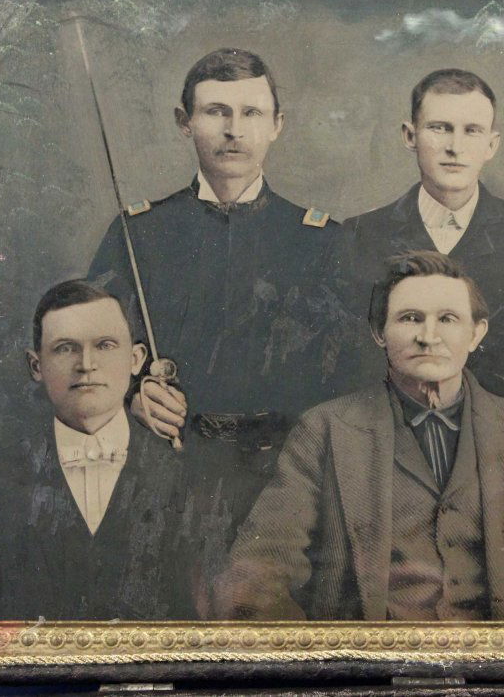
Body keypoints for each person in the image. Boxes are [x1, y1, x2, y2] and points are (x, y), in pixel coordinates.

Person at [211, 251, 504, 621]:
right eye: (410, 318)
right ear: (379, 332)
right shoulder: (325, 430)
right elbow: (256, 576)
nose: (429, 337)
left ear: (476, 333)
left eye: (447, 319)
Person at [86, 48, 346, 557]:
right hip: (164, 480)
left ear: (277, 125)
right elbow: (87, 351)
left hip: (289, 489)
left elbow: (353, 384)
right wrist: (131, 397)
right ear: (184, 123)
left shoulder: (323, 242)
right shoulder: (138, 233)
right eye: (215, 112)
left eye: (251, 113)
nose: (234, 129)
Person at [0, 281, 189, 620]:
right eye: (65, 348)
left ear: (135, 359)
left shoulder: (187, 478)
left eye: (105, 345)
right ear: (36, 366)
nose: (86, 364)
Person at [342, 69, 504, 409]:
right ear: (410, 135)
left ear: (491, 145)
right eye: (440, 128)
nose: (455, 147)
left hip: (503, 444)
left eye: (472, 131)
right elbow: (348, 368)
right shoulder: (361, 235)